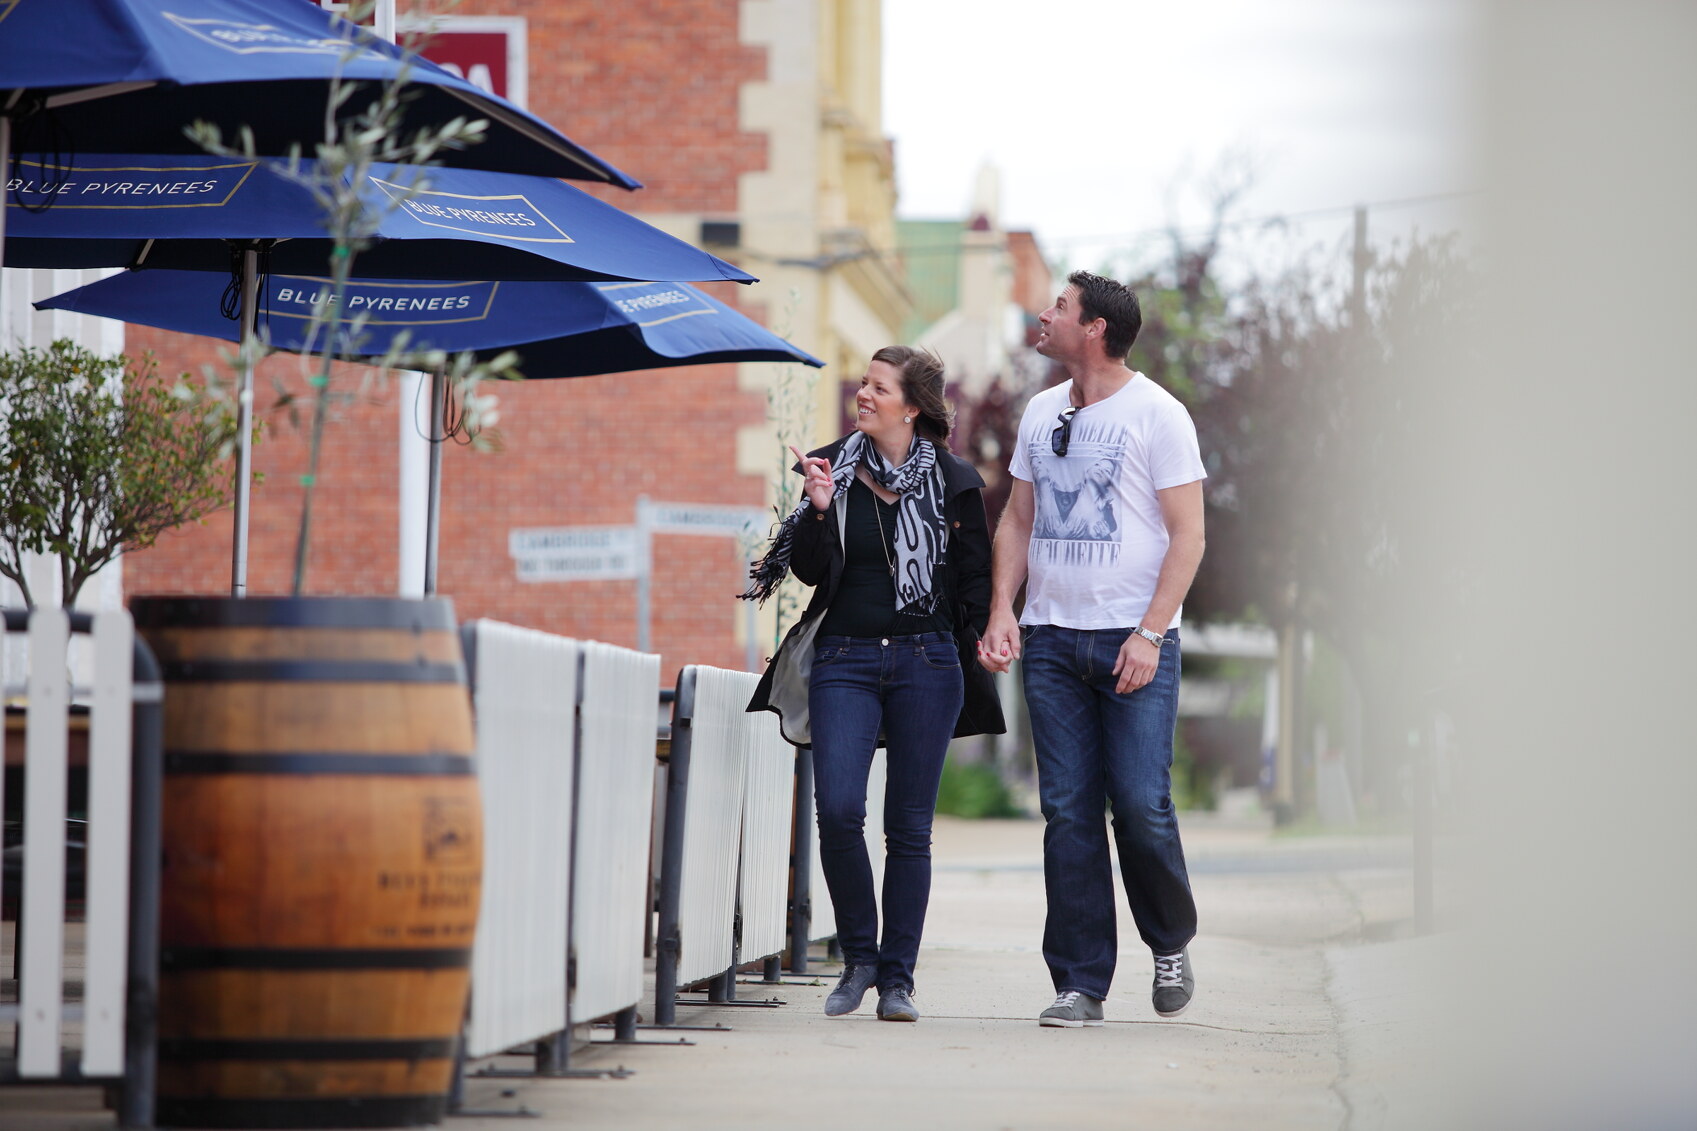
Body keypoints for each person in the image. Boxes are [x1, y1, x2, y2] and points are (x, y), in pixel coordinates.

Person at [743, 345, 1003, 1023]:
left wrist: (989, 634)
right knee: (837, 811)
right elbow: (803, 570)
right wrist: (820, 509)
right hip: (844, 660)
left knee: (908, 829)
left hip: (926, 661)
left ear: (911, 405)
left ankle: (897, 978)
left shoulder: (954, 480)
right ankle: (858, 957)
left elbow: (974, 578)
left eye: (878, 387)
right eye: (862, 383)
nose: (862, 394)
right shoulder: (830, 464)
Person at [978, 270, 1207, 1028]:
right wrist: (1001, 611)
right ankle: (1080, 981)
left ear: (1096, 328)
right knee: (1067, 814)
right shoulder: (1041, 412)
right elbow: (1016, 519)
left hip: (1130, 642)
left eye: (1059, 308)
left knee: (1140, 806)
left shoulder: (1159, 415)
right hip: (1050, 640)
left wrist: (1148, 632)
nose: (1044, 316)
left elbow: (1189, 536)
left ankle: (1168, 939)